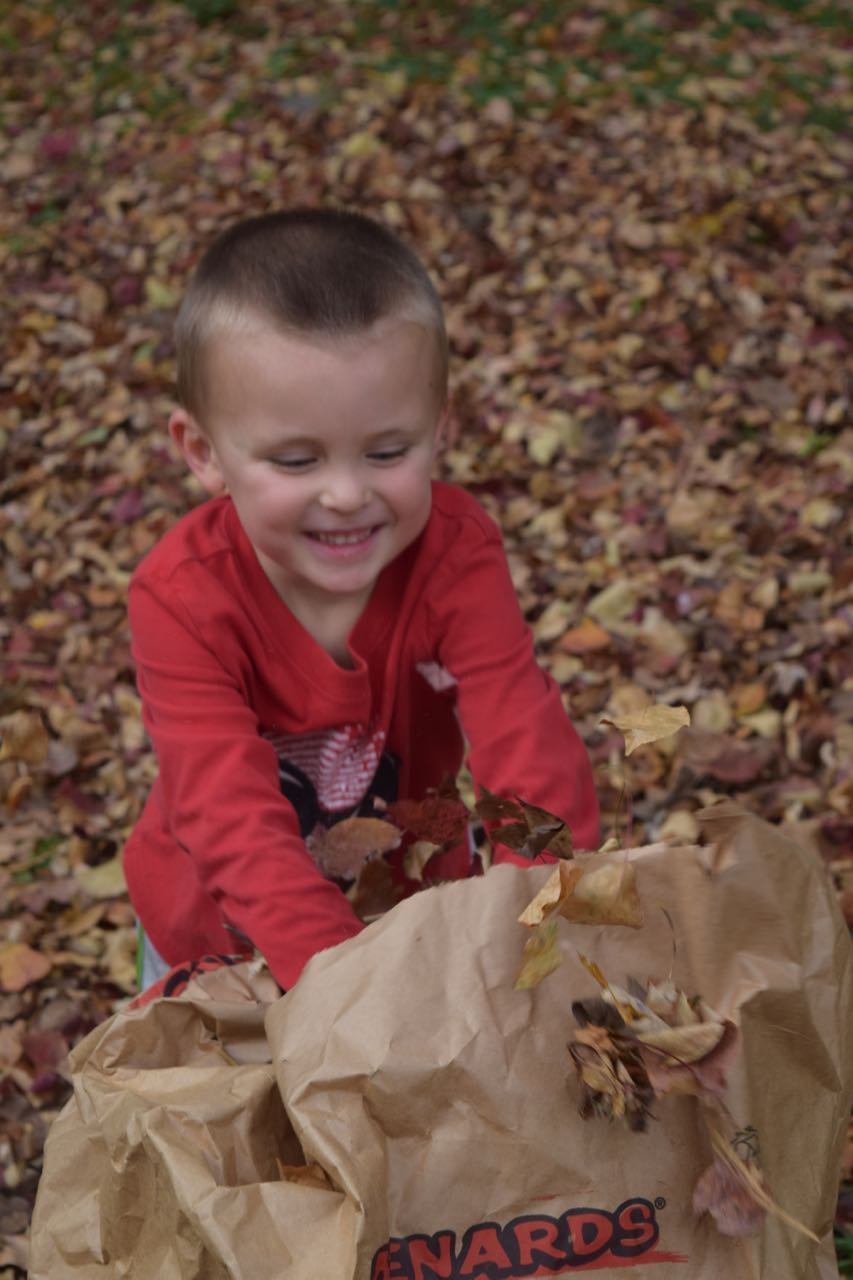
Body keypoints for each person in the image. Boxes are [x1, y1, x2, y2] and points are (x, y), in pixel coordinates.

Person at [124, 208, 599, 993]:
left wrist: (539, 917)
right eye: (296, 459)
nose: (346, 494)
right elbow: (225, 811)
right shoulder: (181, 596)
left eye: (387, 451)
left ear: (438, 430)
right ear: (204, 453)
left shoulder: (453, 552)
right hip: (223, 940)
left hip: (413, 914)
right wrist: (346, 985)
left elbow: (525, 741)